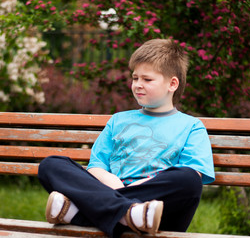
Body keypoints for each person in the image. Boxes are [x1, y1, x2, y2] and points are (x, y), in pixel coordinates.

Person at [38, 38, 215, 238]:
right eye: (135, 78)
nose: (138, 85)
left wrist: (132, 190)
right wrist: (116, 187)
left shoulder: (191, 127)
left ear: (172, 84)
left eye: (147, 80)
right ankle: (128, 215)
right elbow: (96, 167)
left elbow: (194, 175)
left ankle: (82, 215)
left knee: (188, 179)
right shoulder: (118, 121)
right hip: (117, 192)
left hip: (159, 213)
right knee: (51, 165)